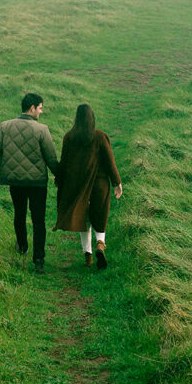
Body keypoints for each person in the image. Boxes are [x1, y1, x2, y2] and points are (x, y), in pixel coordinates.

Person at [0, 92, 59, 273]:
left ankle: (22, 246)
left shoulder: (5, 127)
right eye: (40, 108)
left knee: (19, 214)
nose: (41, 112)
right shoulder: (42, 130)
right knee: (38, 221)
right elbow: (51, 158)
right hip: (37, 183)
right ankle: (39, 260)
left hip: (15, 181)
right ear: (32, 108)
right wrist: (59, 177)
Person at [53, 103, 123, 269]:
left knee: (83, 220)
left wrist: (59, 181)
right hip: (100, 184)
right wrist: (117, 182)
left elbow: (64, 162)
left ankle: (88, 256)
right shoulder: (100, 137)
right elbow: (110, 161)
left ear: (76, 119)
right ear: (93, 119)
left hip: (78, 185)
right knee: (100, 215)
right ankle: (100, 243)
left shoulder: (69, 137)